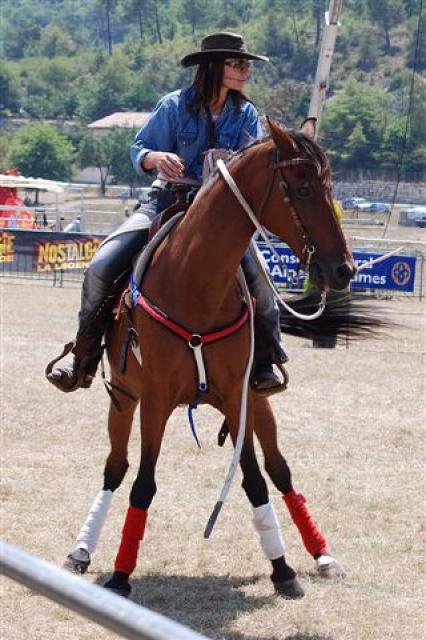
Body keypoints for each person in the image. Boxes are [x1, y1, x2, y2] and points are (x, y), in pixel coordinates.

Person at [46, 32, 288, 394]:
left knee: (262, 284)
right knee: (101, 266)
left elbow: (253, 163)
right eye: (237, 64)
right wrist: (155, 158)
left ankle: (266, 360)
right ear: (214, 67)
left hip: (222, 220)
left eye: (246, 64)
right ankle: (84, 356)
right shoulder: (173, 106)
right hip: (167, 202)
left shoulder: (246, 115)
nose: (245, 71)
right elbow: (138, 149)